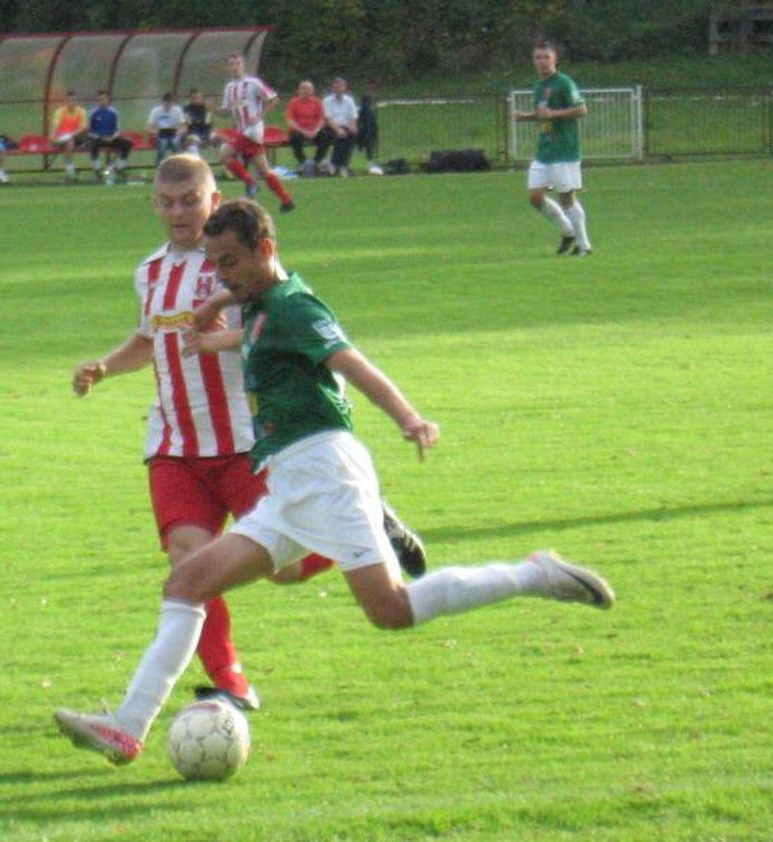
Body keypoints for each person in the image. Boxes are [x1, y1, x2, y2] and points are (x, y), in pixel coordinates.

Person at [54, 197, 616, 766]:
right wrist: (220, 299)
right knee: (185, 584)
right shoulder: (259, 299)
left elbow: (355, 365)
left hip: (328, 474)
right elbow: (244, 302)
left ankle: (533, 575)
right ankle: (128, 726)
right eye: (214, 264)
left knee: (390, 610)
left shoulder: (296, 308)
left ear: (265, 250)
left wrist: (410, 419)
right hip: (287, 486)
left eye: (228, 263)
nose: (220, 276)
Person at [68, 155, 426, 712]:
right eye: (167, 203)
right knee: (191, 569)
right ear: (154, 205)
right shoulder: (150, 272)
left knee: (284, 571)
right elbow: (149, 339)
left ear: (215, 200)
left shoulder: (234, 265)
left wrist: (222, 340)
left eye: (191, 201)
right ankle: (231, 683)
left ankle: (363, 516)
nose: (179, 212)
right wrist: (104, 367)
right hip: (174, 444)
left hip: (246, 441)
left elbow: (276, 332)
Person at [513, 41, 592, 256]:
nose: (541, 62)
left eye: (546, 57)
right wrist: (527, 117)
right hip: (544, 151)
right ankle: (567, 232)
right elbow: (544, 114)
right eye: (538, 57)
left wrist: (554, 115)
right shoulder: (539, 85)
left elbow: (582, 109)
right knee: (534, 197)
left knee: (567, 198)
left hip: (564, 150)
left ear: (554, 58)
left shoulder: (564, 83)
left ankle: (584, 245)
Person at [218, 53, 295, 213]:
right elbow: (225, 112)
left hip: (252, 130)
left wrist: (260, 115)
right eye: (232, 64)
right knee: (264, 171)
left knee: (224, 155)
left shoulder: (253, 83)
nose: (235, 66)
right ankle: (287, 201)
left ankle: (250, 182)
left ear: (243, 65)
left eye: (238, 63)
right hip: (242, 131)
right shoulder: (229, 88)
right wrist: (212, 109)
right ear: (227, 68)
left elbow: (273, 99)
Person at [284, 80, 332, 176]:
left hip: (314, 130)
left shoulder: (317, 102)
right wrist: (304, 132)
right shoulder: (293, 103)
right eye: (304, 88)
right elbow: (291, 122)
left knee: (326, 136)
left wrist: (316, 130)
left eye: (309, 89)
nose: (306, 91)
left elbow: (321, 120)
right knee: (295, 137)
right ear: (299, 90)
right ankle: (302, 161)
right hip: (299, 130)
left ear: (313, 90)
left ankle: (317, 161)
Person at [87, 90, 133, 183]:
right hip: (98, 138)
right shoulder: (93, 113)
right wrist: (100, 137)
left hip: (112, 138)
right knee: (92, 145)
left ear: (108, 100)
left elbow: (117, 128)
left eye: (103, 99)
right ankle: (98, 170)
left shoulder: (114, 112)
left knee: (127, 144)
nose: (102, 101)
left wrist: (113, 137)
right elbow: (90, 131)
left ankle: (120, 168)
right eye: (99, 100)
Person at [322, 77, 359, 177]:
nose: (338, 89)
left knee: (352, 135)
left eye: (340, 87)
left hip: (346, 126)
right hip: (331, 127)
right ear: (333, 89)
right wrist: (338, 129)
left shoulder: (349, 100)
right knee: (340, 136)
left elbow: (353, 116)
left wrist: (353, 126)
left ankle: (343, 165)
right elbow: (328, 119)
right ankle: (335, 164)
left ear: (345, 88)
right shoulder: (327, 101)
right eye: (336, 87)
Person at [51, 91, 88, 181]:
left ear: (77, 101)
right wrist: (52, 136)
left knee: (71, 140)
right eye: (70, 100)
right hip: (62, 137)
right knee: (69, 143)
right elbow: (55, 125)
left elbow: (83, 127)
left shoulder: (81, 111)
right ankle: (71, 169)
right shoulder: (59, 112)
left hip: (77, 137)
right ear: (66, 102)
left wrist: (71, 135)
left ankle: (70, 169)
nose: (72, 103)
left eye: (74, 100)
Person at [147, 93, 185, 165]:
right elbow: (150, 128)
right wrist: (157, 132)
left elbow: (183, 126)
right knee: (163, 144)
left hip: (174, 132)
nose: (168, 105)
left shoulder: (177, 110)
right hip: (161, 133)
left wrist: (178, 133)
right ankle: (160, 164)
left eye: (170, 103)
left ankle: (177, 164)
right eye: (166, 103)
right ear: (162, 102)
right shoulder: (155, 111)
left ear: (173, 102)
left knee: (175, 143)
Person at [180, 88, 213, 156]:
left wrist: (206, 138)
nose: (199, 99)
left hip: (205, 134)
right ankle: (196, 162)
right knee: (192, 144)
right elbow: (190, 124)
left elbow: (208, 124)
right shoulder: (187, 109)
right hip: (193, 134)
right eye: (195, 98)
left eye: (200, 97)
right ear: (190, 98)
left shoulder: (206, 109)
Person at [357, 91, 383, 175]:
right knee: (369, 145)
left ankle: (371, 162)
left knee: (370, 146)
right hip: (365, 134)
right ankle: (370, 162)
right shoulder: (367, 112)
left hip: (366, 133)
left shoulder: (363, 111)